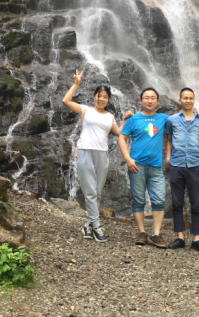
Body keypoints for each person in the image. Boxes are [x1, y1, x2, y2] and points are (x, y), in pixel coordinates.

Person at [62, 70, 133, 242]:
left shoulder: (110, 117)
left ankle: (88, 225)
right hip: (85, 151)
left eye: (105, 97)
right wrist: (76, 85)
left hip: (102, 155)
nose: (101, 99)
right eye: (99, 96)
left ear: (108, 100)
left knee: (97, 192)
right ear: (94, 96)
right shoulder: (86, 110)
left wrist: (125, 119)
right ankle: (97, 226)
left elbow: (119, 132)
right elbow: (66, 101)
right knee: (90, 191)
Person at [118, 88, 169, 248]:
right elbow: (121, 138)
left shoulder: (164, 119)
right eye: (146, 98)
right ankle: (142, 232)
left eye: (153, 98)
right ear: (140, 101)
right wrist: (128, 159)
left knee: (159, 199)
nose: (149, 100)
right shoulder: (133, 119)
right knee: (138, 199)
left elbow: (183, 118)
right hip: (136, 166)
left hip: (156, 166)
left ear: (158, 101)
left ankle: (156, 234)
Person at [165, 88, 199, 253]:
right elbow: (169, 139)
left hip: (194, 165)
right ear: (180, 100)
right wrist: (168, 158)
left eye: (191, 98)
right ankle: (180, 237)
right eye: (185, 98)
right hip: (176, 164)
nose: (188, 101)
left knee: (196, 204)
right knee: (177, 202)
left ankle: (196, 240)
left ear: (194, 100)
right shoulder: (171, 120)